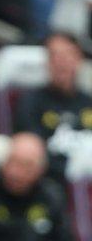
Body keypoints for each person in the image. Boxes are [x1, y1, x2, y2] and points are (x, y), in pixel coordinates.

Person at [14, 32, 92, 185]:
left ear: (79, 59)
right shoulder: (31, 102)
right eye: (54, 56)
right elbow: (30, 150)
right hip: (50, 182)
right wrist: (68, 169)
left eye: (67, 55)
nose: (61, 62)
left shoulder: (88, 101)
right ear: (47, 62)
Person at [0, 133, 74, 241]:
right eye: (12, 162)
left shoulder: (52, 197)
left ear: (41, 169)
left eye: (26, 166)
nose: (16, 173)